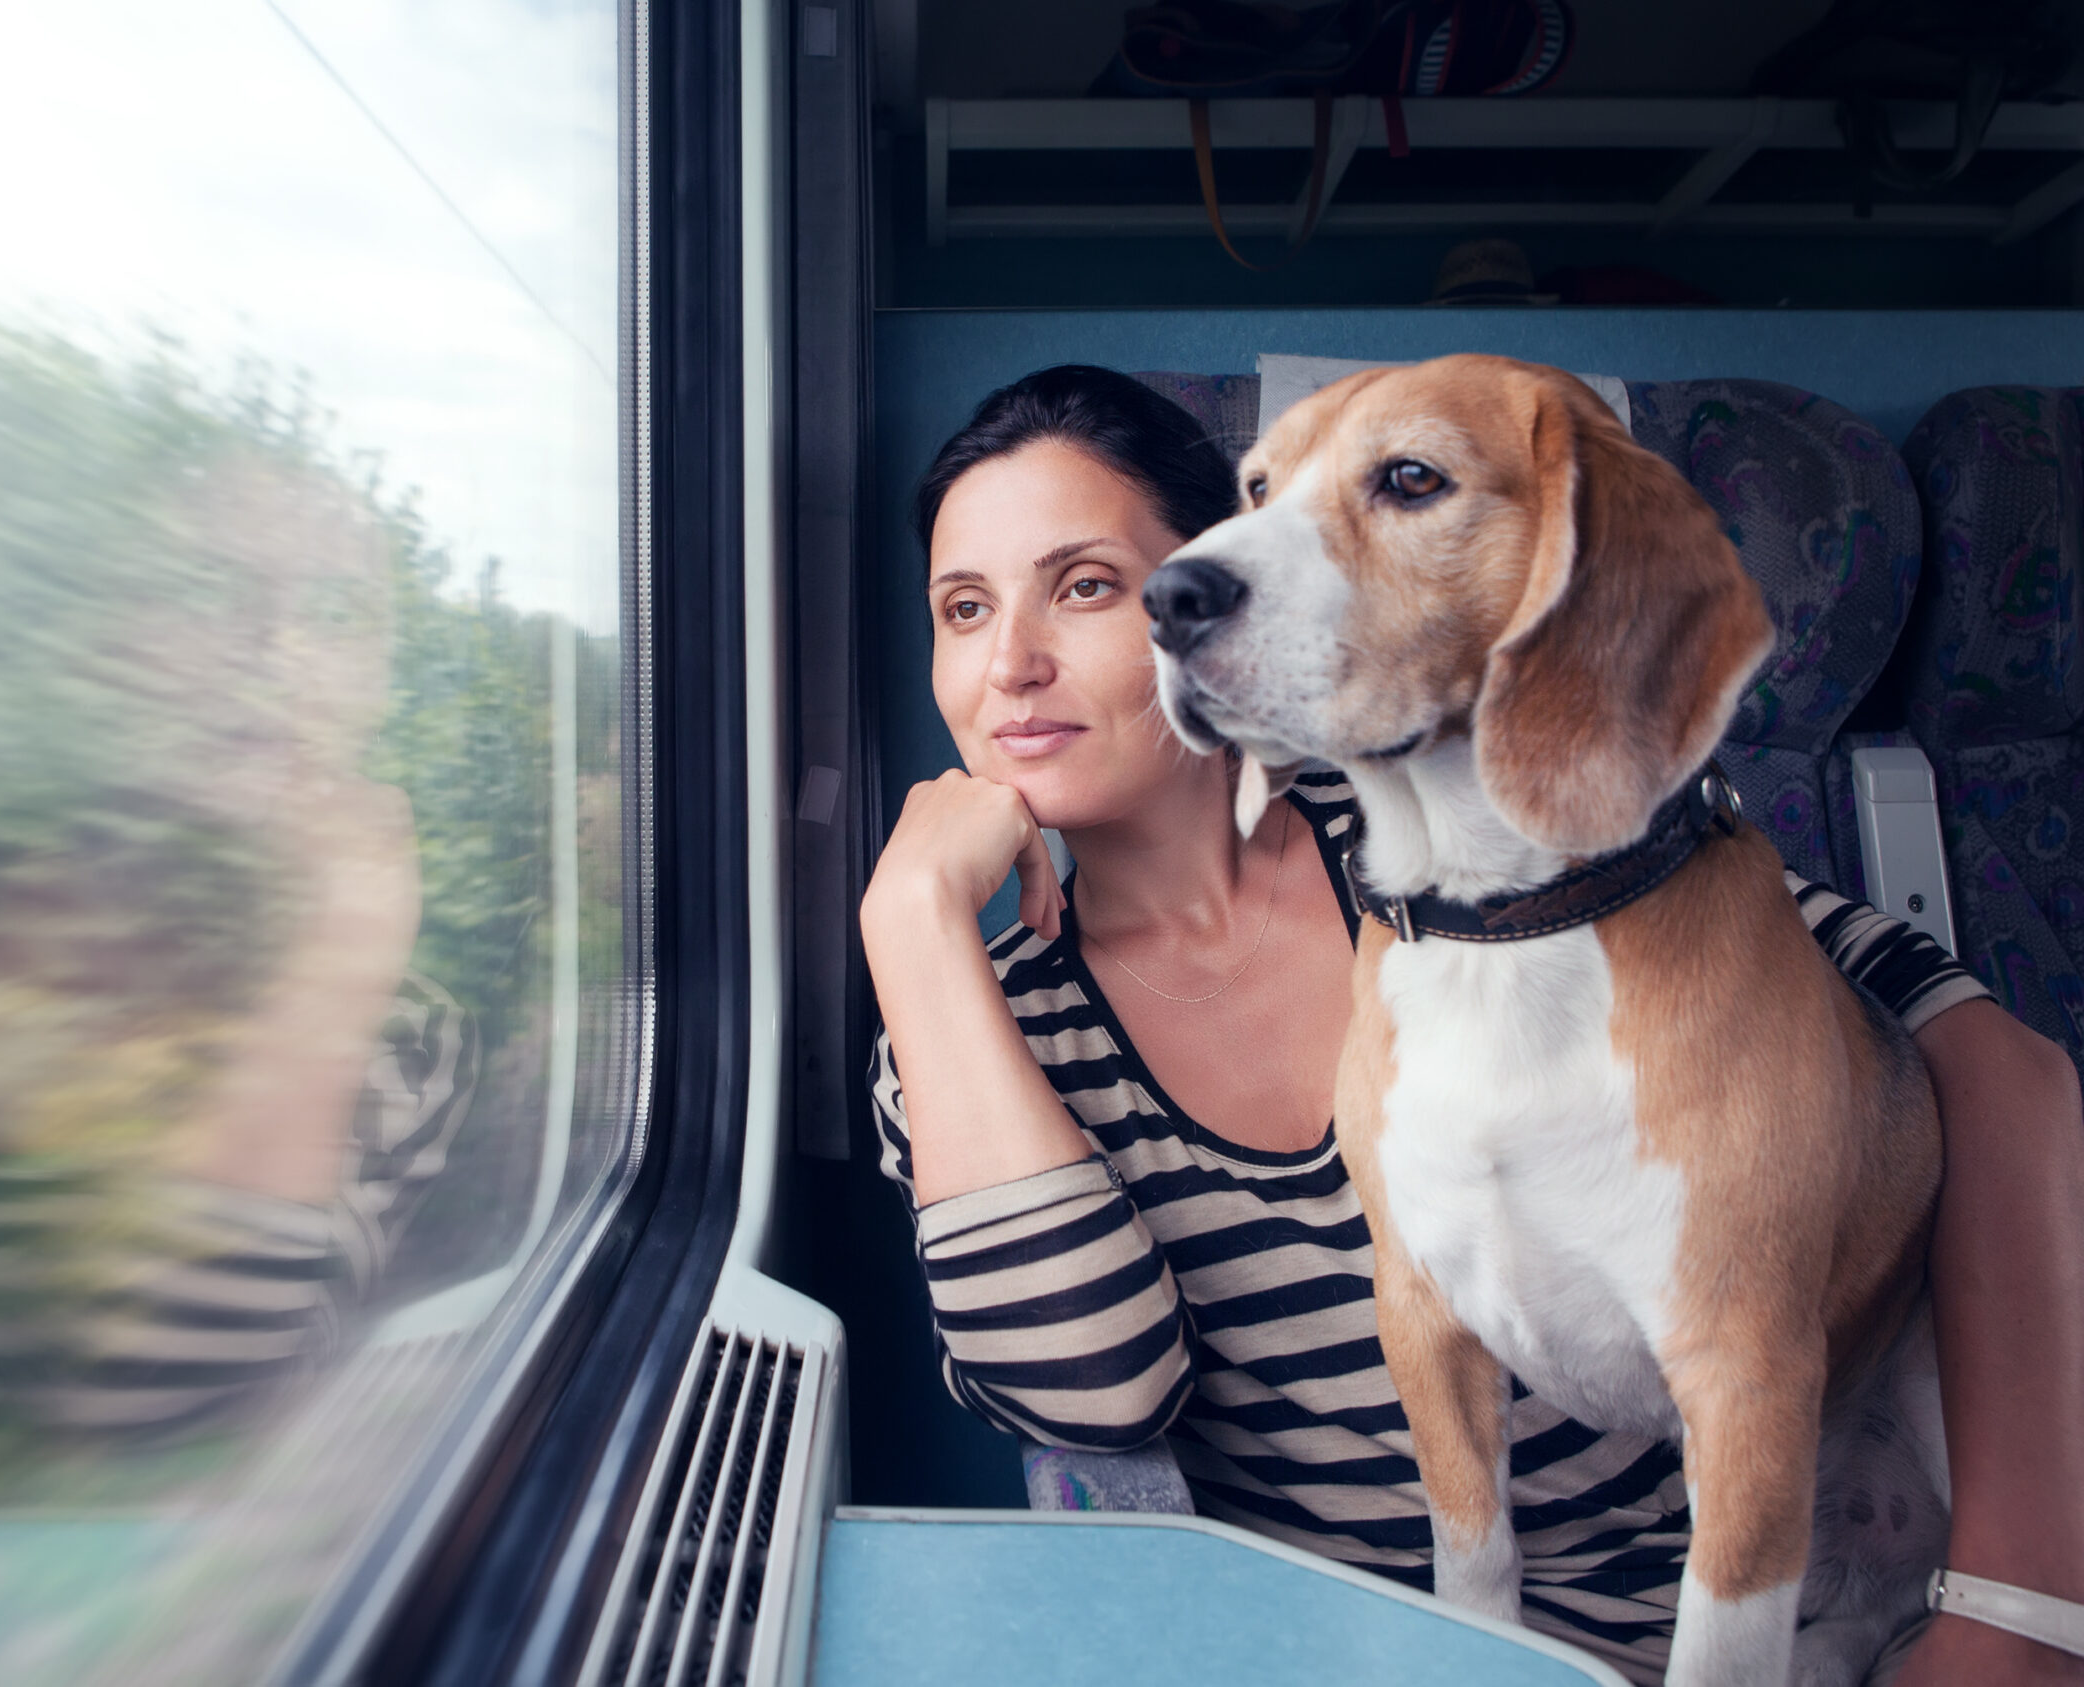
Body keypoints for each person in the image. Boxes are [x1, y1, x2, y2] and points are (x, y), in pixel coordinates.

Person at [861, 365, 2084, 1687]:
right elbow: (1091, 1398)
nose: (1009, 667)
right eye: (963, 609)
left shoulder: (1484, 829)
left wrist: (2020, 1608)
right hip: (1374, 1649)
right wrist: (917, 926)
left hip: (1727, 1601)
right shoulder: (965, 1037)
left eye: (1089, 585)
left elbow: (1991, 1066)